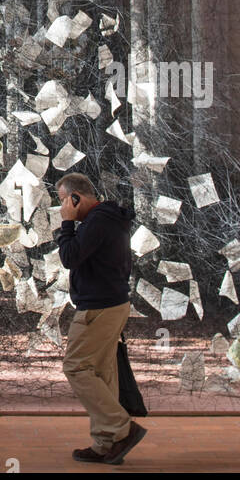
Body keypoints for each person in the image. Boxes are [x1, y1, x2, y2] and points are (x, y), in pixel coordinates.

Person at [56, 173, 146, 464]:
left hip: (99, 308)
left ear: (75, 197)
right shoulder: (107, 219)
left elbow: (70, 256)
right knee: (103, 374)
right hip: (113, 304)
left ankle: (121, 428)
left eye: (63, 201)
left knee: (76, 367)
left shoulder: (97, 221)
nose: (62, 207)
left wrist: (67, 223)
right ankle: (105, 444)